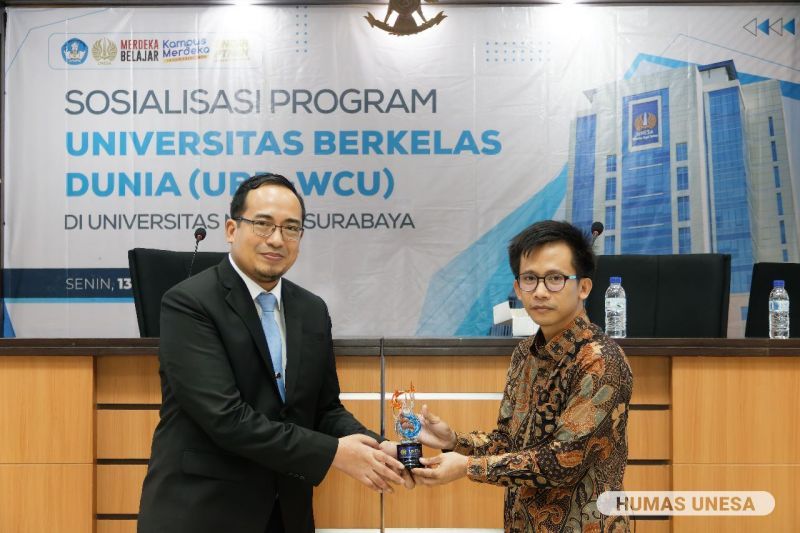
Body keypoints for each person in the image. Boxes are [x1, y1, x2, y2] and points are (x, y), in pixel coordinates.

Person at [138, 173, 408, 533]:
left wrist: (379, 449)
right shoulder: (188, 303)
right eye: (263, 224)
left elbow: (324, 409)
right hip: (202, 512)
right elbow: (226, 418)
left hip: (287, 514)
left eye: (291, 228)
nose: (277, 239)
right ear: (232, 229)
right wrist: (334, 453)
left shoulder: (311, 310)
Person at [411, 220, 633, 532]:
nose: (540, 292)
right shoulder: (525, 353)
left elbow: (563, 461)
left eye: (555, 279)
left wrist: (468, 466)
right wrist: (454, 441)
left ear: (583, 287)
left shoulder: (599, 359)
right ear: (517, 288)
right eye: (530, 279)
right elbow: (507, 443)